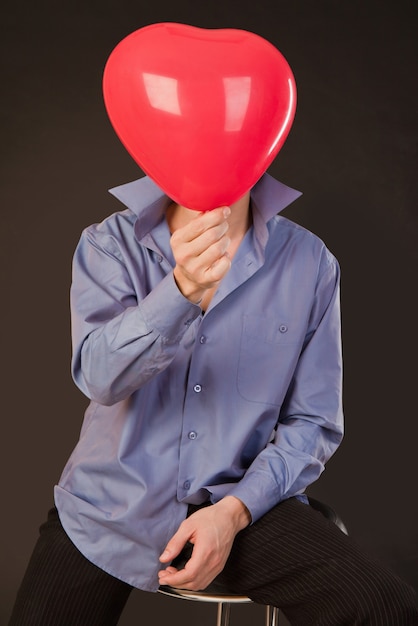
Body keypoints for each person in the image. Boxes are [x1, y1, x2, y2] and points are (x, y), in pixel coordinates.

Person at [9, 173, 418, 625]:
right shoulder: (109, 243)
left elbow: (313, 423)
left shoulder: (310, 262)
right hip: (110, 505)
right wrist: (180, 290)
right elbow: (100, 378)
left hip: (242, 502)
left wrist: (233, 513)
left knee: (383, 606)